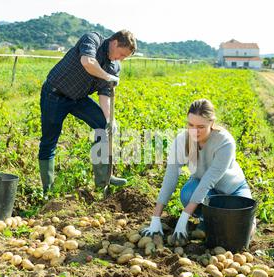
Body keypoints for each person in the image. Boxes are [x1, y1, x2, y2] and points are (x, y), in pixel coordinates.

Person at [38, 30, 137, 194]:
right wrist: (106, 76)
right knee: (49, 140)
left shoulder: (114, 66)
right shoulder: (93, 39)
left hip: (78, 98)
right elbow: (88, 62)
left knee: (102, 127)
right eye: (121, 54)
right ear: (114, 42)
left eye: (124, 57)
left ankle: (103, 179)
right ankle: (48, 189)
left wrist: (109, 120)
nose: (121, 59)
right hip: (54, 94)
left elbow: (105, 94)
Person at [142, 98, 255, 241]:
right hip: (204, 188)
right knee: (188, 193)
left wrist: (184, 217)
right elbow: (170, 178)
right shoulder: (182, 140)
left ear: (211, 123)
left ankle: (212, 222)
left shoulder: (225, 142)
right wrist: (156, 217)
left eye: (200, 127)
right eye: (191, 125)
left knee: (243, 231)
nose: (194, 131)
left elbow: (209, 180)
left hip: (232, 189)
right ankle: (206, 220)